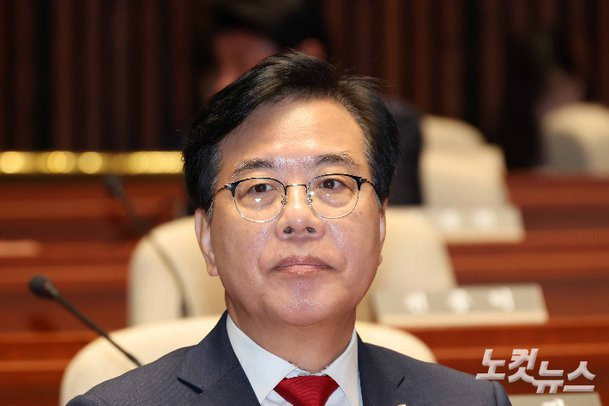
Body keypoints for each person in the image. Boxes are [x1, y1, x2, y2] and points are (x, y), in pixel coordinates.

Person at [68, 53, 510, 405]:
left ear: (380, 227)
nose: (299, 217)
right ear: (206, 239)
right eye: (259, 188)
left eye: (332, 184)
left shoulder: (471, 401)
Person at [195, 0, 422, 205]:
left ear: (307, 56)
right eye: (217, 67)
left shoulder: (382, 123)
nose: (222, 84)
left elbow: (399, 218)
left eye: (242, 65)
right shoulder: (210, 133)